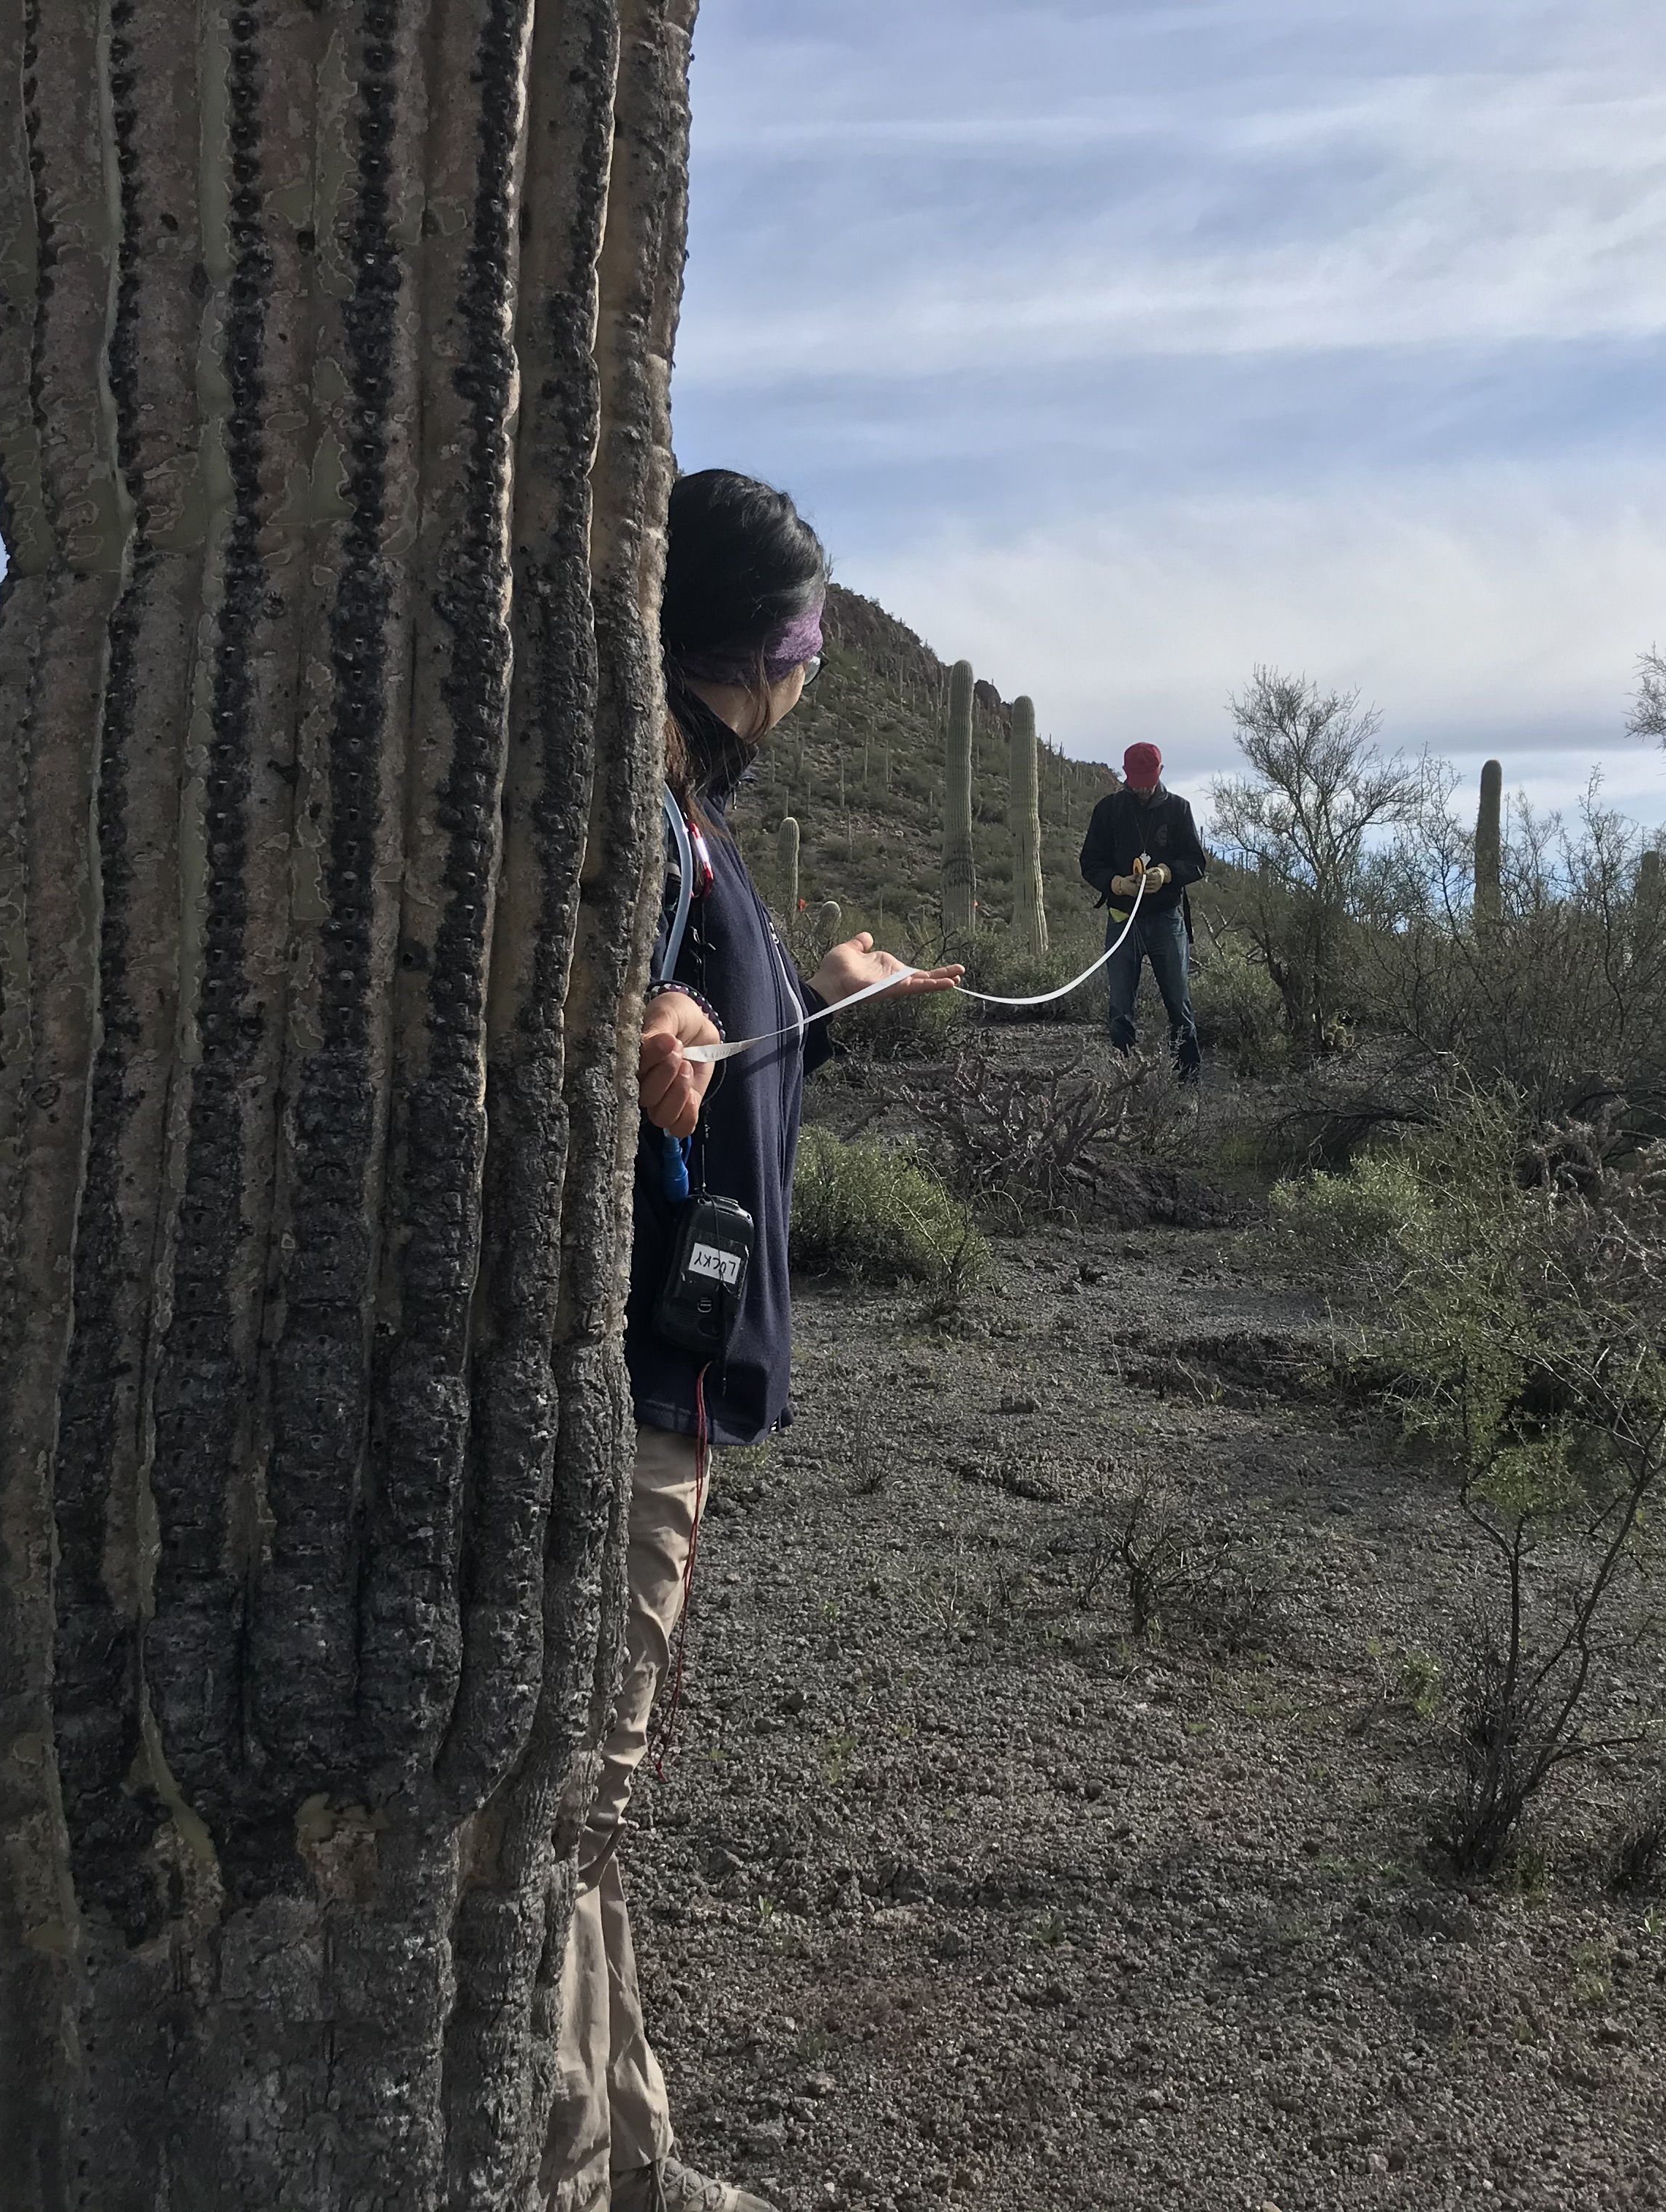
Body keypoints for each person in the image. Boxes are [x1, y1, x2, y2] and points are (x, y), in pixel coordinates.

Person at [555, 470, 961, 2212]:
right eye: (808, 641)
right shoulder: (643, 825)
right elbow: (612, 1034)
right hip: (633, 1385)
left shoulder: (688, 821)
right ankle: (570, 2178)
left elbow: (726, 1050)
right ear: (757, 644)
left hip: (680, 1381)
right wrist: (639, 1037)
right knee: (573, 1807)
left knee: (594, 1807)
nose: (812, 673)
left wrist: (828, 1004)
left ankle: (632, 2166)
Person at [1076, 740, 1209, 1080]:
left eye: (1148, 781)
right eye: (1137, 782)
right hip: (1122, 919)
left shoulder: (1178, 810)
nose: (1143, 788)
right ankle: (1125, 1082)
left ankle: (1188, 1083)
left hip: (1167, 919)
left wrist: (1166, 874)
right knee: (1120, 1008)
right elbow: (1090, 863)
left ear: (1160, 773)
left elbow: (1196, 862)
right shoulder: (1108, 810)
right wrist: (1117, 884)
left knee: (1179, 1004)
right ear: (1126, 775)